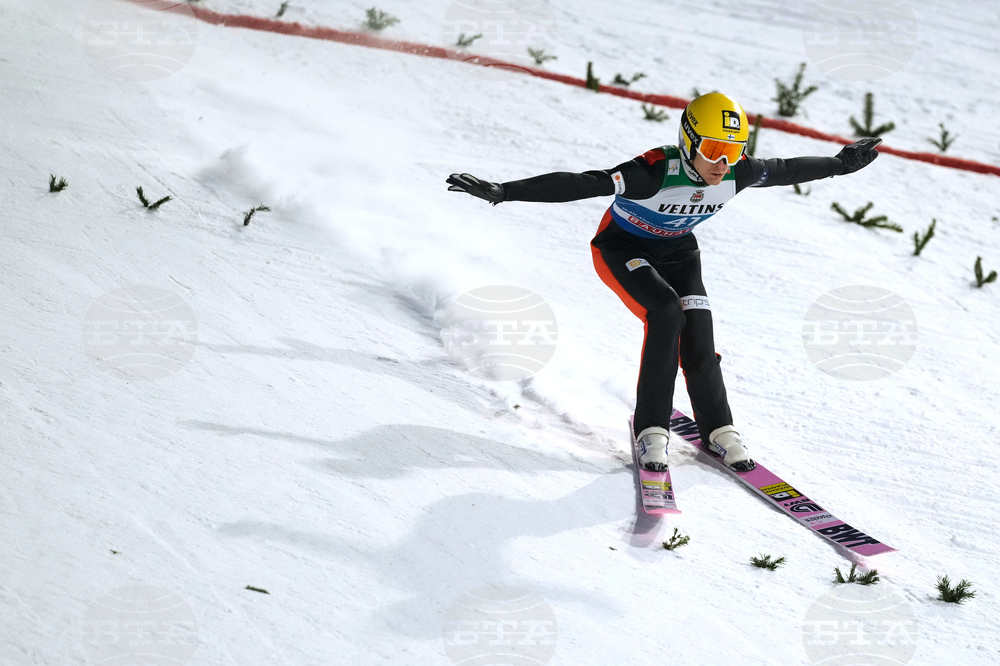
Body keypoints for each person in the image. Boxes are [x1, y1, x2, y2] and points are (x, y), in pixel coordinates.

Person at [446, 92, 881, 473]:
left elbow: (787, 168)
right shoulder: (652, 172)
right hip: (620, 248)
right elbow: (584, 183)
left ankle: (718, 428)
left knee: (699, 332)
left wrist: (842, 165)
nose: (722, 163)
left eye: (733, 150)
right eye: (712, 149)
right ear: (688, 141)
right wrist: (505, 191)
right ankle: (651, 427)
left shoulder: (736, 172)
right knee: (667, 314)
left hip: (678, 252)